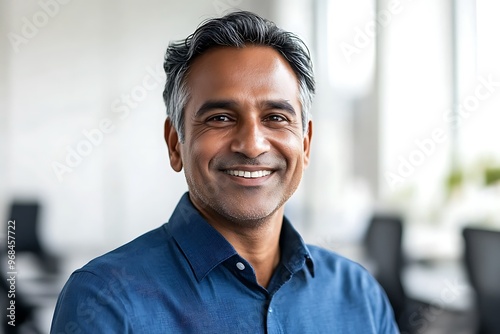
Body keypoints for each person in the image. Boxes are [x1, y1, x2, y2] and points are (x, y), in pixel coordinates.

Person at [50, 11, 398, 333]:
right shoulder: (105, 300)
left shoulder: (360, 296)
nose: (252, 145)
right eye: (220, 118)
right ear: (175, 144)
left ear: (305, 145)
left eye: (275, 118)